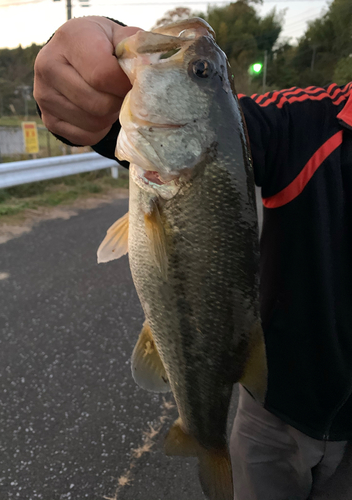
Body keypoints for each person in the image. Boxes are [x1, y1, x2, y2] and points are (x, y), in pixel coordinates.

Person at [34, 15, 352, 500]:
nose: (196, 62)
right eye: (202, 72)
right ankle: (206, 436)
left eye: (200, 72)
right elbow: (214, 127)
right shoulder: (310, 121)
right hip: (274, 409)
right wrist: (88, 66)